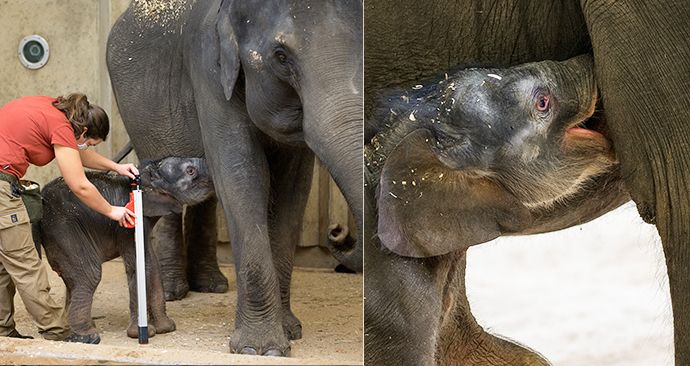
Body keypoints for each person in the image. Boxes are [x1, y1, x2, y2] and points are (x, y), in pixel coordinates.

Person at [0, 93, 137, 342]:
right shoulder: (62, 126)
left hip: (5, 181)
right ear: (82, 132)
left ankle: (2, 329)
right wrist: (111, 210)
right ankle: (58, 331)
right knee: (26, 264)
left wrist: (116, 167)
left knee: (3, 265)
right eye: (90, 143)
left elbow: (75, 152)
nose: (86, 148)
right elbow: (79, 185)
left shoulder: (53, 107)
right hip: (1, 186)